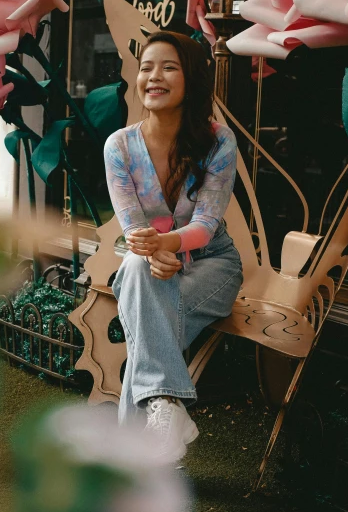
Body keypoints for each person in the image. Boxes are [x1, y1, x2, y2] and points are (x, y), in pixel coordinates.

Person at [104, 31, 243, 462]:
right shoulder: (120, 146)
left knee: (143, 315)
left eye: (168, 67)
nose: (153, 77)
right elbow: (132, 227)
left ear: (191, 80)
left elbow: (204, 225)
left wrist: (163, 243)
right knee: (134, 272)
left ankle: (131, 453)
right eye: (146, 67)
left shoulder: (219, 141)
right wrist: (151, 248)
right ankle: (165, 409)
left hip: (212, 264)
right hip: (149, 264)